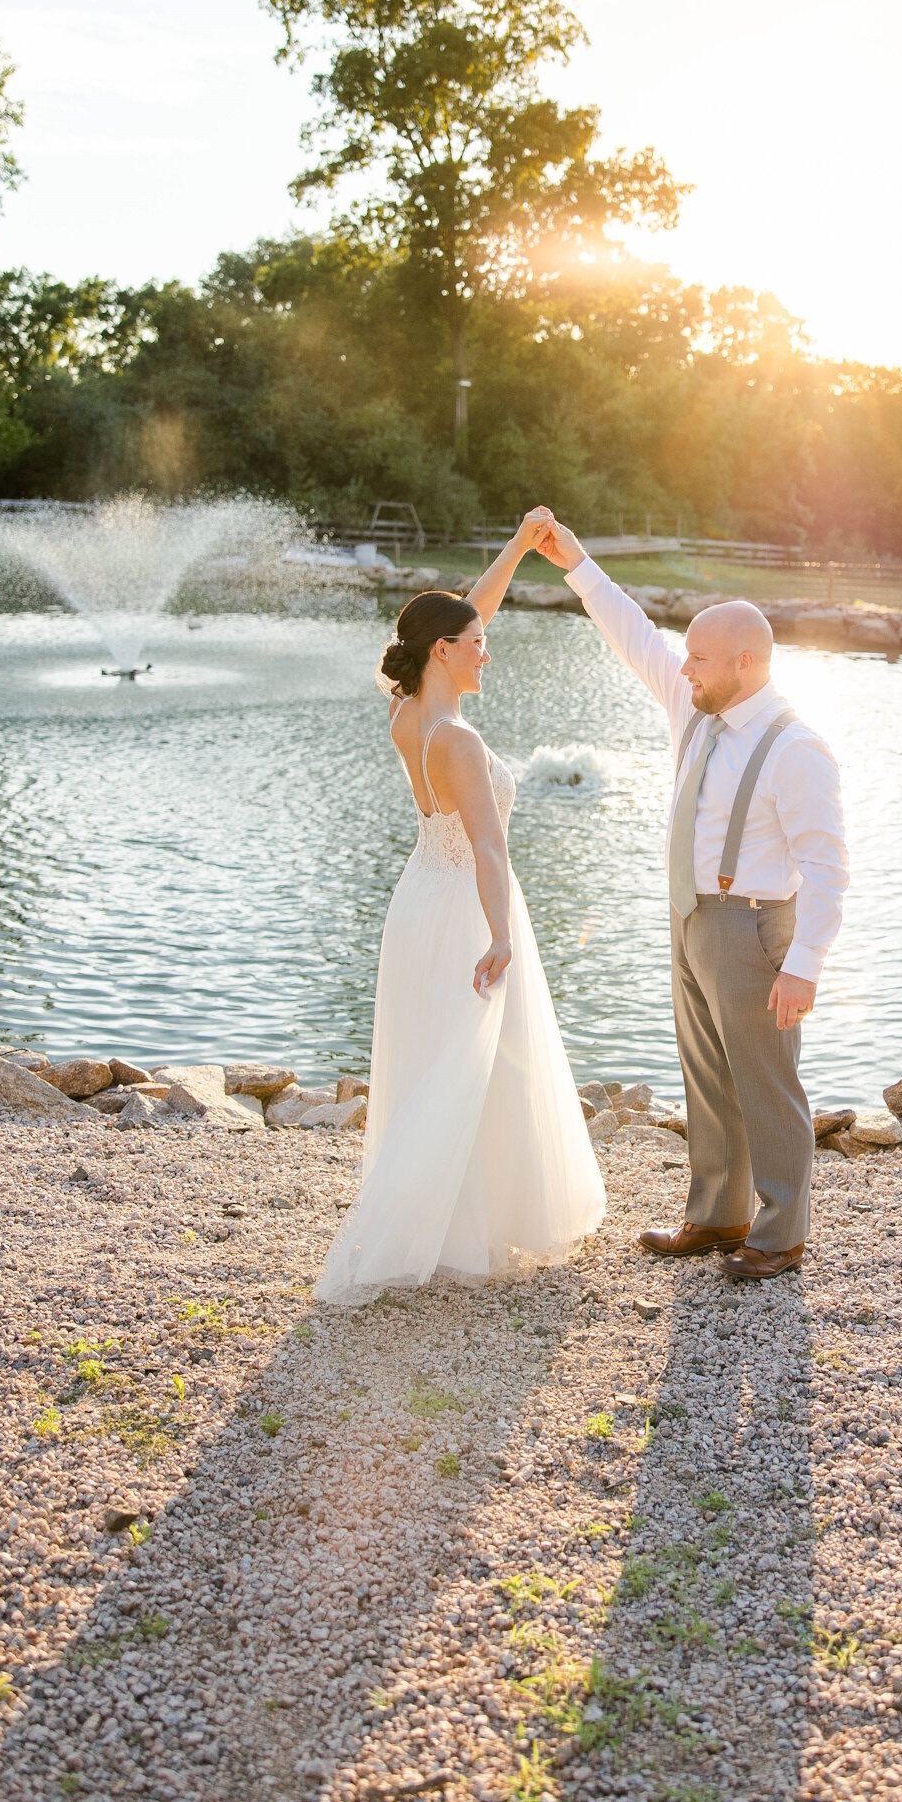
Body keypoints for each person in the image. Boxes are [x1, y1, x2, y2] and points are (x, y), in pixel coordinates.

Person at [537, 516, 848, 1280]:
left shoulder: (797, 747)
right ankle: (717, 1217)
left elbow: (829, 867)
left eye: (700, 659)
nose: (684, 670)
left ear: (747, 663)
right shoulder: (696, 711)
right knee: (707, 1078)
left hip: (753, 929)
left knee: (768, 1088)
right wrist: (575, 561)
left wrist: (804, 963)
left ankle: (780, 1238)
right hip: (690, 919)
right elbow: (634, 635)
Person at [315, 511, 605, 1303]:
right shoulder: (461, 743)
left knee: (440, 1057)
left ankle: (446, 1224)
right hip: (466, 905)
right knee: (469, 1060)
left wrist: (517, 546)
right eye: (476, 643)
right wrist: (503, 933)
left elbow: (467, 612)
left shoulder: (408, 713)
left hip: (418, 901)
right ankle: (447, 1229)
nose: (489, 647)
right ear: (443, 652)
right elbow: (488, 847)